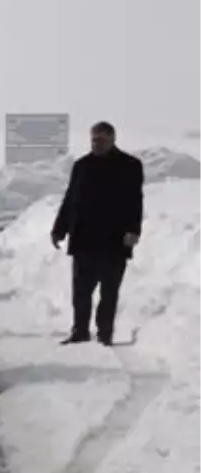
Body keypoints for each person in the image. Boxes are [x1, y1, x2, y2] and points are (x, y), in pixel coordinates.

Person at [51, 121, 144, 346]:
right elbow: (70, 199)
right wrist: (59, 229)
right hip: (84, 239)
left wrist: (133, 230)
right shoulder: (81, 166)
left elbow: (135, 201)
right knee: (81, 291)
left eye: (101, 139)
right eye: (93, 139)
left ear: (113, 139)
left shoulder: (129, 165)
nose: (96, 143)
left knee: (109, 292)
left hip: (114, 240)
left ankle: (105, 334)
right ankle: (80, 331)